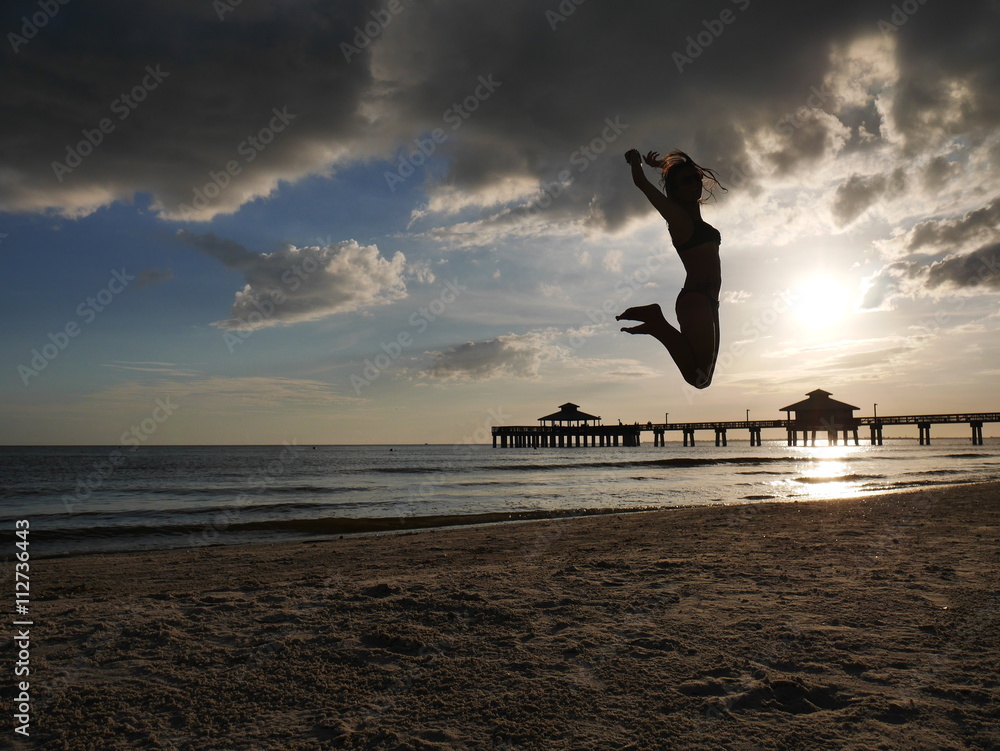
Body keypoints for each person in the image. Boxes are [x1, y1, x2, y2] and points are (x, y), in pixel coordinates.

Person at [617, 148, 726, 389]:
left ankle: (658, 324)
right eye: (685, 181)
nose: (694, 184)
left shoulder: (697, 220)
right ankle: (658, 324)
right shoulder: (677, 217)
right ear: (674, 190)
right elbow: (641, 183)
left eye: (695, 178)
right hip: (695, 299)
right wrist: (634, 158)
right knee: (697, 378)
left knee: (704, 378)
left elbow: (681, 179)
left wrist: (664, 167)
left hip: (709, 300)